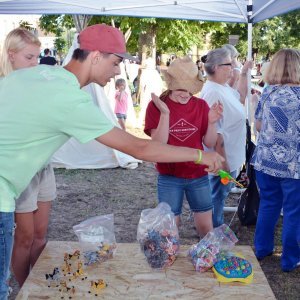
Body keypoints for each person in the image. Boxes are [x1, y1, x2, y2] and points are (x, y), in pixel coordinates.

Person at [0, 24, 224, 299]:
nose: (118, 71)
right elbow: (138, 148)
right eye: (116, 62)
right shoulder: (67, 97)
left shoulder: (41, 75)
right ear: (95, 56)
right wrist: (201, 155)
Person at [0, 27, 57, 293]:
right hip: (19, 172)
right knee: (22, 239)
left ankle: (37, 289)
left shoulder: (38, 83)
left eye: (37, 57)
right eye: (30, 57)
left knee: (39, 235)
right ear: (11, 56)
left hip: (44, 167)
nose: (36, 63)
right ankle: (25, 291)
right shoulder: (4, 88)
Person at [144, 56, 223, 236]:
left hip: (198, 174)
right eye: (180, 89)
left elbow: (209, 143)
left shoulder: (201, 105)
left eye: (190, 90)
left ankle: (206, 259)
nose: (185, 94)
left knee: (205, 226)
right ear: (171, 85)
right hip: (169, 175)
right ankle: (170, 260)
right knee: (170, 227)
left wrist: (212, 122)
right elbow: (158, 146)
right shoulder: (157, 106)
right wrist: (165, 113)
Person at [251, 48, 300, 272]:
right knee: (293, 212)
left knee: (269, 205)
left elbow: (259, 126)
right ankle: (290, 259)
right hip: (293, 166)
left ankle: (261, 249)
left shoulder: (268, 92)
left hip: (266, 161)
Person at [200, 47, 252, 228]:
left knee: (218, 195)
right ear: (216, 67)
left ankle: (214, 228)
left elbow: (241, 97)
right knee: (217, 196)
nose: (233, 67)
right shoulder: (214, 91)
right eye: (229, 64)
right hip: (222, 158)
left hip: (228, 155)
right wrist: (224, 163)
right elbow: (217, 133)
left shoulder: (221, 87)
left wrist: (244, 73)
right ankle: (214, 232)